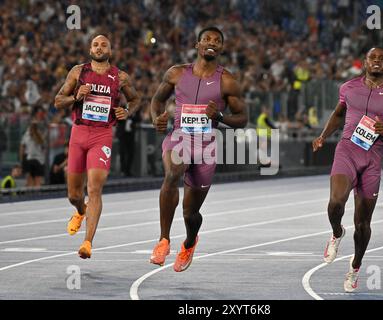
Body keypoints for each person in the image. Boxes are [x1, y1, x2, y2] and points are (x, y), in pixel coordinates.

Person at [312, 47, 383, 292]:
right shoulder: (348, 88)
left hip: (372, 159)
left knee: (363, 224)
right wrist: (323, 135)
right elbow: (338, 115)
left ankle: (355, 267)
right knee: (336, 203)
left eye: (382, 58)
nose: (377, 61)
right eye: (373, 57)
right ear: (365, 62)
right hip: (347, 150)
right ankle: (337, 233)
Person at [149, 27, 247, 272]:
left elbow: (243, 118)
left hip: (206, 147)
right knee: (172, 174)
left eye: (217, 41)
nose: (211, 43)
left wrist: (220, 116)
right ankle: (163, 240)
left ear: (221, 48)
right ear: (198, 44)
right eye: (207, 39)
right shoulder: (176, 73)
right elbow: (157, 100)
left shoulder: (227, 80)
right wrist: (156, 118)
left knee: (190, 213)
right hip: (179, 138)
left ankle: (190, 242)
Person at [54, 35, 140, 259]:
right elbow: (57, 100)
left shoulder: (120, 77)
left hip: (102, 136)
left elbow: (136, 99)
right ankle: (80, 211)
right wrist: (75, 96)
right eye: (95, 44)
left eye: (103, 45)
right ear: (90, 49)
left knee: (94, 189)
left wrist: (127, 110)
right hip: (79, 133)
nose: (99, 47)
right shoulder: (78, 72)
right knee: (74, 195)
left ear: (110, 50)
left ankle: (87, 243)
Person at [20, 121, 46, 187]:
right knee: (29, 180)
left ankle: (38, 195)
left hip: (39, 160)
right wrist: (22, 159)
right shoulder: (26, 135)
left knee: (38, 181)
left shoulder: (39, 134)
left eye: (34, 126)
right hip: (29, 159)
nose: (32, 128)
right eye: (31, 126)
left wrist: (35, 133)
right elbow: (22, 146)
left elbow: (40, 141)